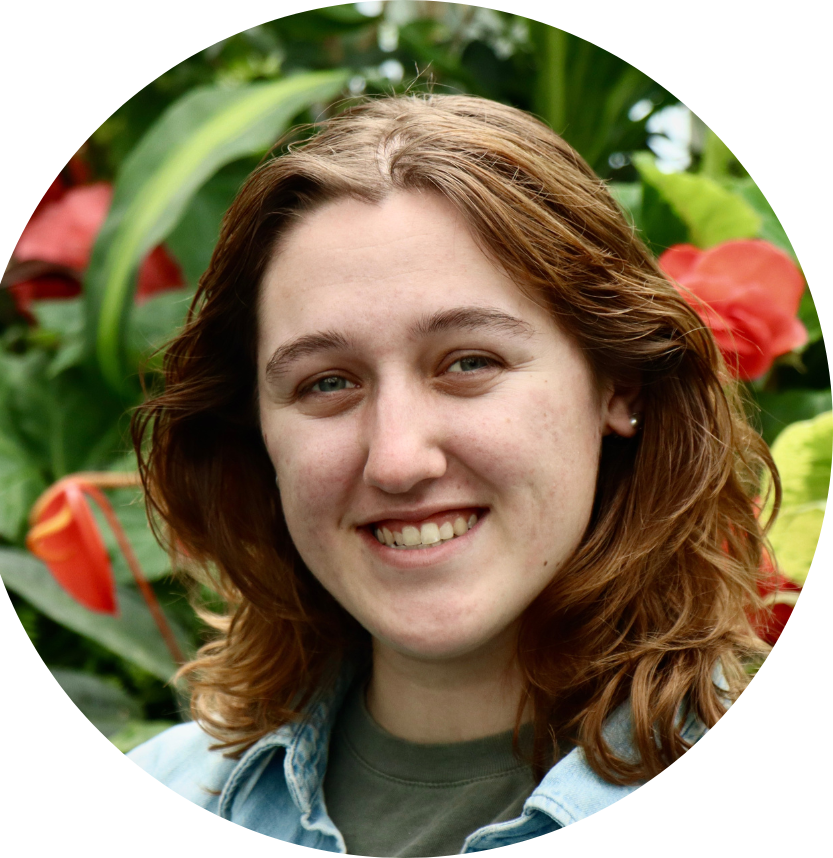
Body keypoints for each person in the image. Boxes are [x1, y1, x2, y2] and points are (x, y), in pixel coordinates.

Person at [126, 92, 777, 852]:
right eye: (327, 382)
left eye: (469, 362)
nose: (398, 460)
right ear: (255, 432)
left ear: (619, 386)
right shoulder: (177, 782)